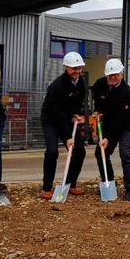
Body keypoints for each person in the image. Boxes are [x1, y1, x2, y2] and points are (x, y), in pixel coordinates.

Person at [40, 51, 87, 200]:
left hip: (67, 118)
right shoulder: (57, 86)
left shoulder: (80, 82)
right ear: (66, 67)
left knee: (79, 151)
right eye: (74, 68)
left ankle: (70, 184)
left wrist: (77, 115)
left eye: (79, 68)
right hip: (51, 120)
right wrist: (67, 137)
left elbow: (78, 102)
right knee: (52, 151)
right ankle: (47, 187)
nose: (77, 71)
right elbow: (59, 113)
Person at [91, 58, 130, 201]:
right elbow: (98, 101)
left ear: (121, 74)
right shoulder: (100, 84)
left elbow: (121, 121)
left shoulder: (127, 94)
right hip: (108, 123)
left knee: (126, 155)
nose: (112, 77)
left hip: (125, 125)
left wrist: (108, 138)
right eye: (110, 75)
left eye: (115, 75)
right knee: (101, 153)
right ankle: (109, 183)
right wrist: (97, 111)